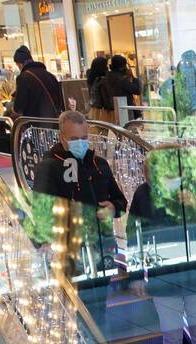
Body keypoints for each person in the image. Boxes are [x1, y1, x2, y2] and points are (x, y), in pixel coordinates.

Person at [25, 110, 127, 322]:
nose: (80, 143)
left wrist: (112, 208)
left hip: (101, 247)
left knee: (99, 308)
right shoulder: (49, 167)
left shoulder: (99, 164)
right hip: (71, 251)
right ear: (62, 137)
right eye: (73, 139)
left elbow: (120, 201)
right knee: (76, 310)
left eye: (83, 138)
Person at [10, 45, 63, 119]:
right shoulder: (50, 75)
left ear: (20, 64)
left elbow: (19, 107)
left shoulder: (23, 78)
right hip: (54, 121)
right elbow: (60, 99)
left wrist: (12, 109)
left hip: (35, 124)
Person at [102, 55, 141, 122]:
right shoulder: (121, 80)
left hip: (114, 108)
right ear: (122, 67)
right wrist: (134, 78)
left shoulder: (108, 77)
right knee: (128, 127)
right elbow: (137, 90)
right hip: (125, 108)